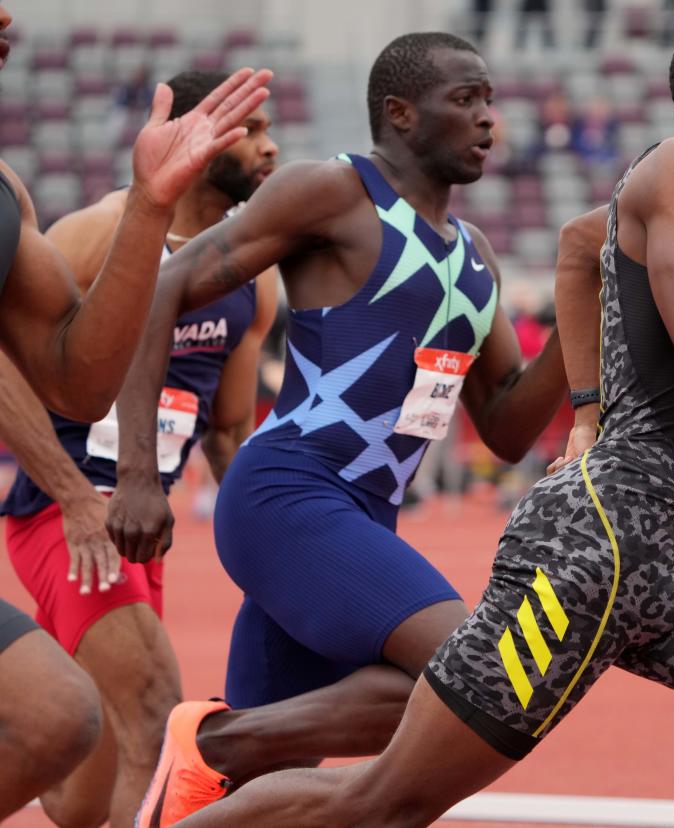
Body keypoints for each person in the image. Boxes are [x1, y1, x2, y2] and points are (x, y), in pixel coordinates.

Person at [175, 17, 674, 828]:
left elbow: (576, 245)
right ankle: (211, 754)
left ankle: (227, 751)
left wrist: (587, 411)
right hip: (595, 552)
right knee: (384, 801)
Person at [105, 33, 569, 827]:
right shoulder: (333, 192)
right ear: (399, 112)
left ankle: (218, 765)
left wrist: (577, 324)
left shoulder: (477, 255)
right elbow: (160, 290)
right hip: (289, 494)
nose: (490, 120)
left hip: (358, 520)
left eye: (491, 101)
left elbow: (505, 426)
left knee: (258, 803)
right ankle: (216, 740)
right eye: (466, 100)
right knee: (482, 672)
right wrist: (138, 474)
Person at [0, 6, 271, 820]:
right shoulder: (91, 232)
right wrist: (75, 496)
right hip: (69, 507)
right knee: (156, 706)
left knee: (89, 747)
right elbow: (19, 356)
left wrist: (269, 542)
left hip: (142, 522)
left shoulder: (250, 276)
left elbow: (227, 430)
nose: (268, 147)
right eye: (250, 129)